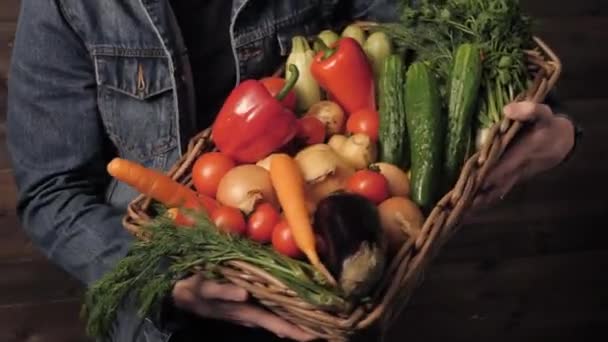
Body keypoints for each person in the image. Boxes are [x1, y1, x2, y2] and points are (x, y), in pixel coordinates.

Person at [6, 0, 579, 341]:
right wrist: (159, 279)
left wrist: (555, 123)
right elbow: (51, 190)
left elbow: (446, 26)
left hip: (325, 287)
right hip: (158, 321)